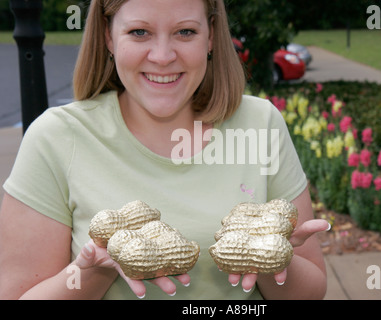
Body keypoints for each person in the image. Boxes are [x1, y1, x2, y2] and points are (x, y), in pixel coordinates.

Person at [0, 0, 329, 300]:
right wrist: (94, 270)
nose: (162, 56)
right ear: (108, 36)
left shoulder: (260, 123)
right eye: (139, 32)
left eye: (185, 32)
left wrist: (270, 260)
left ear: (211, 36)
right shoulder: (56, 137)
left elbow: (311, 293)